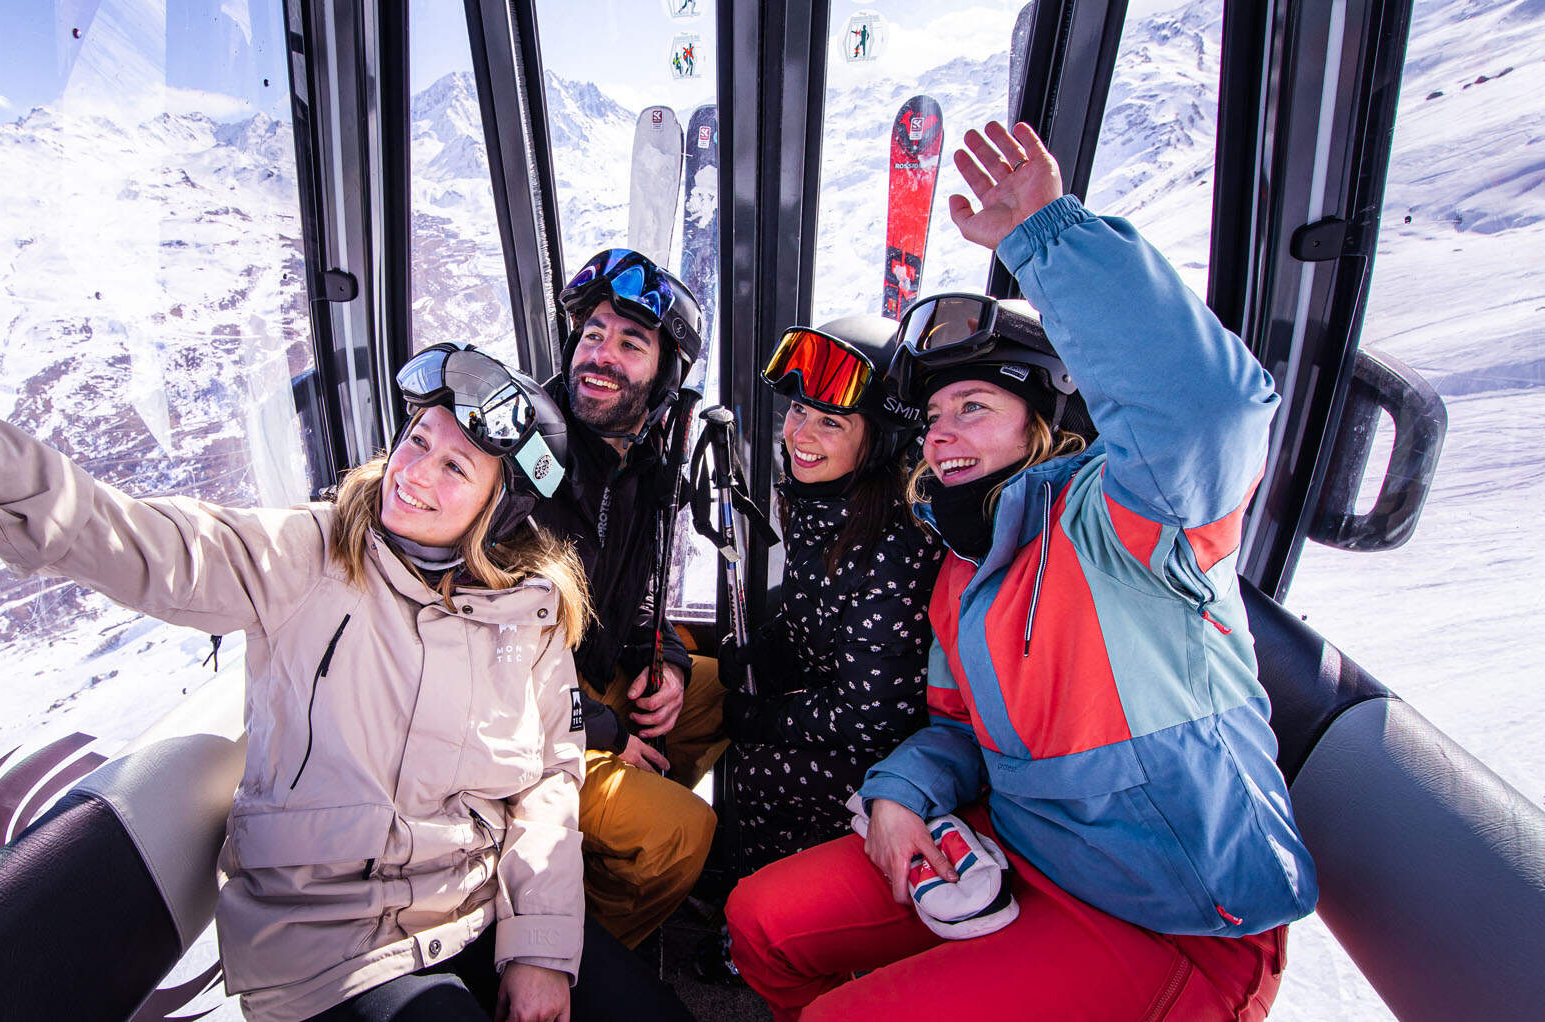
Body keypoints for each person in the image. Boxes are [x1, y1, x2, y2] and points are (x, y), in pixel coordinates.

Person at [0, 244, 693, 1022]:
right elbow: (103, 528)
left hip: (477, 912)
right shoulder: (310, 557)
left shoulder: (526, 613)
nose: (414, 475)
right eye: (416, 442)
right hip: (338, 947)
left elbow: (547, 785)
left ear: (499, 512)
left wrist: (541, 951)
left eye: (455, 469)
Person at [726, 122, 1318, 1020]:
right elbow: (959, 731)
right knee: (756, 923)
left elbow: (1213, 413)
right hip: (1020, 854)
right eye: (932, 416)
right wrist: (900, 790)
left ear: (1039, 424)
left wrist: (1046, 237)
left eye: (974, 405)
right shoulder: (962, 571)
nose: (943, 433)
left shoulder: (1122, 522)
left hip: (1183, 914)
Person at [533, 248, 727, 947]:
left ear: (665, 375)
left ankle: (597, 863)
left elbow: (647, 591)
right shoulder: (529, 456)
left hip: (581, 686)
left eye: (628, 343)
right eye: (591, 336)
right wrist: (608, 735)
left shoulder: (641, 460)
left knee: (714, 687)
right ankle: (590, 953)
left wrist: (669, 663)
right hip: (518, 718)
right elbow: (484, 665)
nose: (599, 356)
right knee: (683, 834)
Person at [723, 314, 938, 874]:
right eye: (798, 410)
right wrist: (769, 647)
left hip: (896, 748)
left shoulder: (895, 544)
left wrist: (768, 719)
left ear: (880, 440)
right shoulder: (822, 499)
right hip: (842, 706)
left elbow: (873, 713)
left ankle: (775, 904)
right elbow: (812, 609)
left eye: (832, 422)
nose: (801, 435)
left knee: (759, 767)